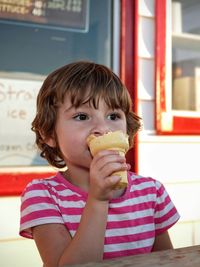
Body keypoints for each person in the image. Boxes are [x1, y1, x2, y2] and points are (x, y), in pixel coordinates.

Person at [19, 61, 180, 267]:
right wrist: (98, 200)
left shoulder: (151, 192)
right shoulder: (42, 196)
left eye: (113, 116)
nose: (103, 129)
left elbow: (166, 261)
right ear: (49, 133)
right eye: (82, 116)